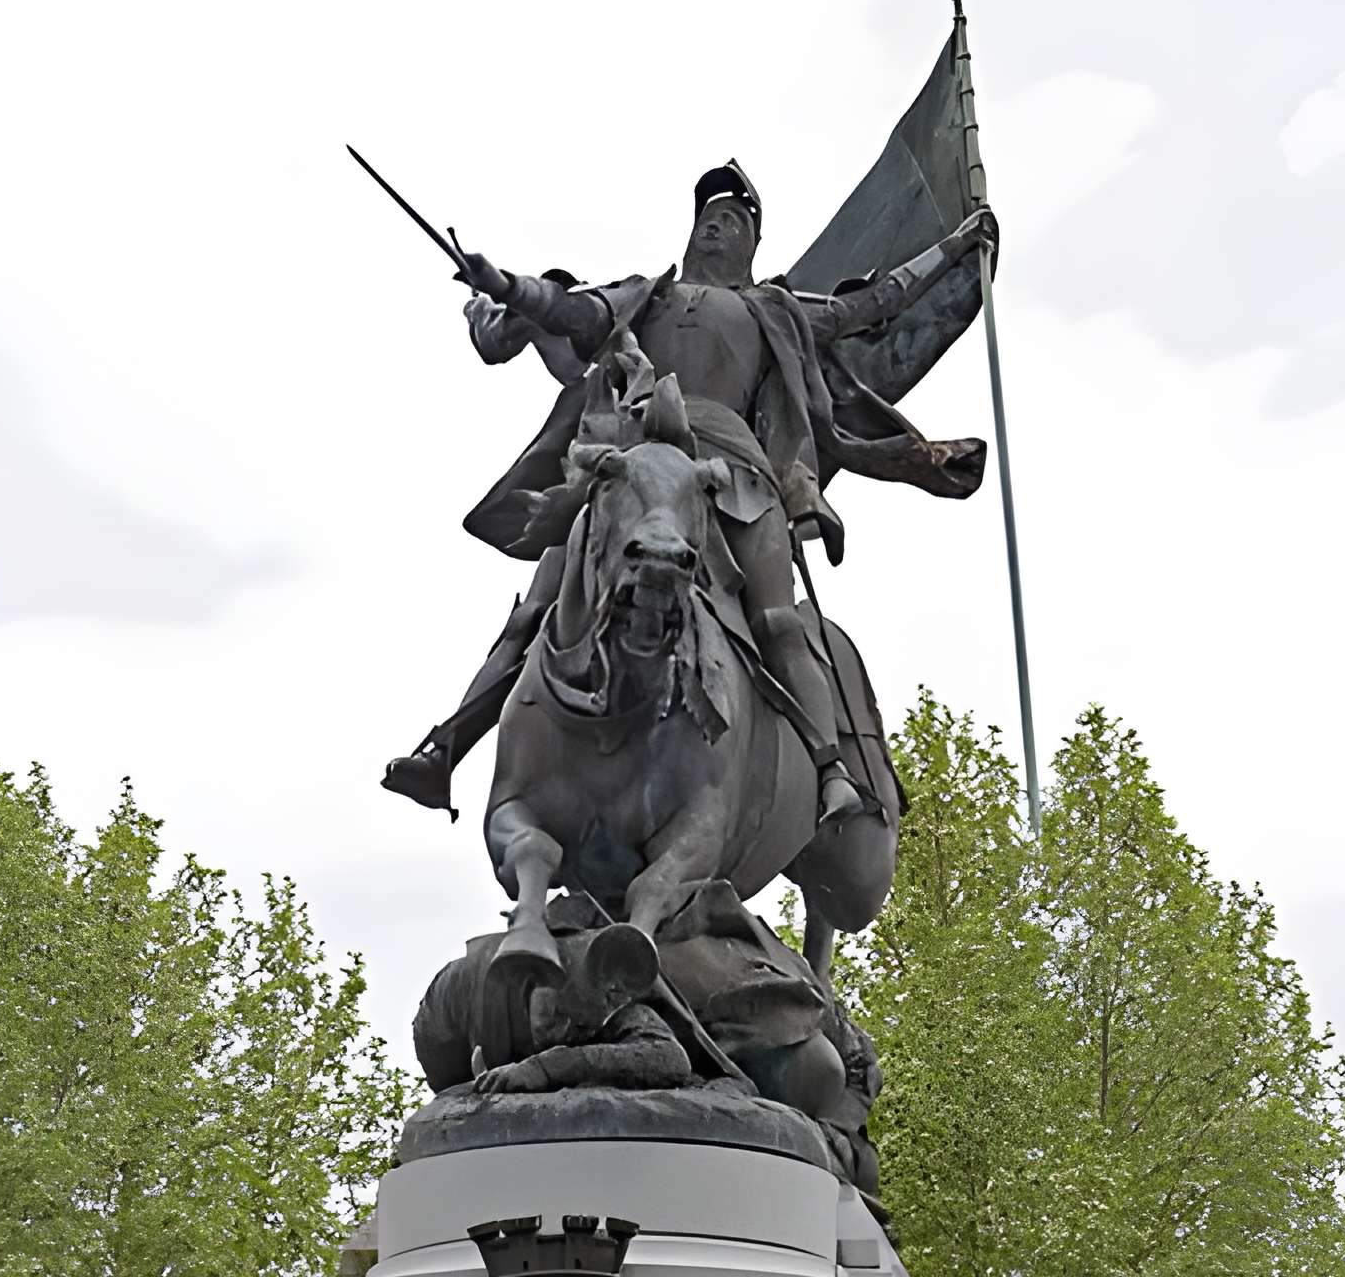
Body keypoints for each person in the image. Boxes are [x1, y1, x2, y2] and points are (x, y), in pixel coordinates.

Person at [384, 162, 995, 820]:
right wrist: (502, 282)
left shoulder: (774, 309)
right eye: (709, 215)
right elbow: (567, 308)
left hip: (736, 480)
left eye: (733, 219)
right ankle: (447, 751)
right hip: (635, 473)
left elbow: (873, 304)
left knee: (779, 620)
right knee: (544, 597)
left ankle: (830, 772)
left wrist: (956, 246)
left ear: (752, 246)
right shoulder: (644, 297)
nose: (716, 224)